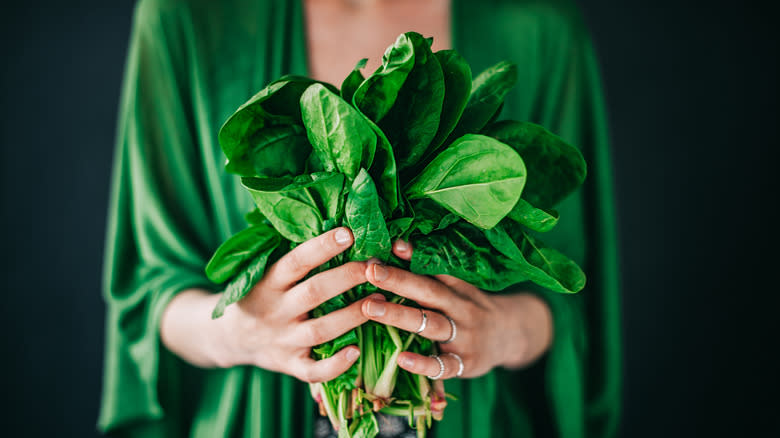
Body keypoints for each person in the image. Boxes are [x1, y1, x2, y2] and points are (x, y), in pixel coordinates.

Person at [98, 0, 621, 437]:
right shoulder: (187, 17)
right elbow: (149, 291)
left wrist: (501, 330)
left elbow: (573, 295)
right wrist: (243, 331)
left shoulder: (540, 27)